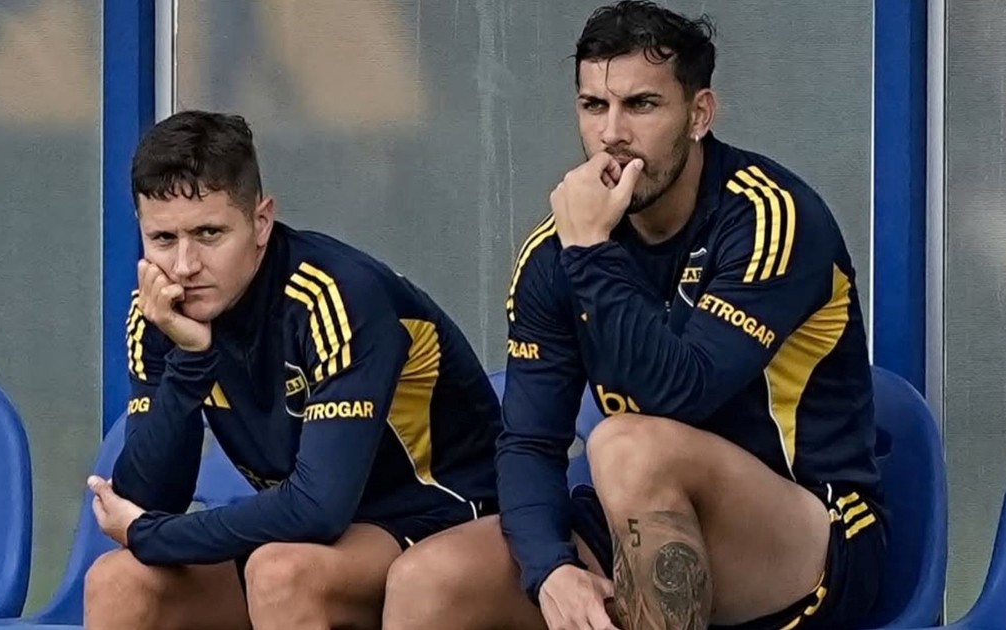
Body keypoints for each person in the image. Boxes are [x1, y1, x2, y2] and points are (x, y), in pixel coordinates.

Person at [381, 2, 885, 629]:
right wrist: (550, 569)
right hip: (638, 519)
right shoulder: (555, 252)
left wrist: (592, 253)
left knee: (625, 444)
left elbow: (684, 391)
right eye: (594, 106)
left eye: (642, 105)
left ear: (699, 114)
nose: (612, 133)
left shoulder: (768, 217)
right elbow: (531, 441)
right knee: (427, 581)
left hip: (808, 535)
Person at [82, 110, 500, 630]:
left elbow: (318, 508)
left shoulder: (334, 296)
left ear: (261, 222)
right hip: (319, 535)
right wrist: (189, 361)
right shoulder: (159, 312)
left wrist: (153, 533)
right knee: (118, 582)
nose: (185, 266)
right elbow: (149, 498)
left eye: (209, 233)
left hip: (443, 512)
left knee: (280, 573)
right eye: (164, 239)